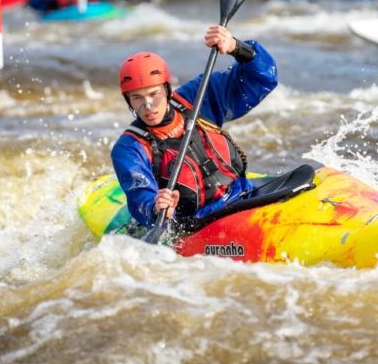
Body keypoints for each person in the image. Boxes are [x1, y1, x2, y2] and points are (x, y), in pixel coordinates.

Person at [110, 25, 278, 229]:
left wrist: (236, 47)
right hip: (199, 224)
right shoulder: (129, 148)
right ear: (128, 100)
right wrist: (155, 206)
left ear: (167, 89)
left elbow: (263, 78)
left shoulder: (196, 99)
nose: (148, 105)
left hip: (244, 194)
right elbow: (139, 198)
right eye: (137, 98)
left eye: (154, 94)